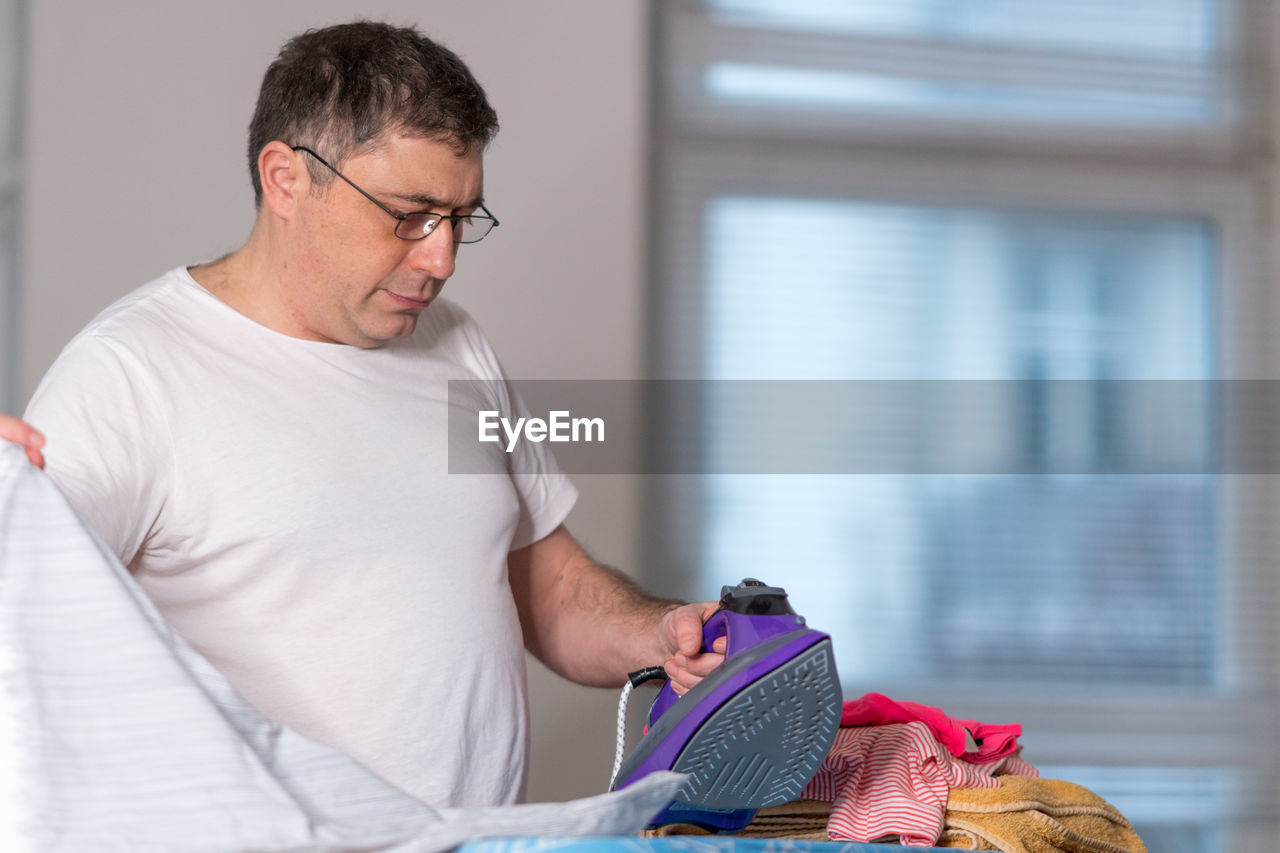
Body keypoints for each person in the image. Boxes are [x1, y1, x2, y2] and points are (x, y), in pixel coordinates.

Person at [4, 22, 723, 809]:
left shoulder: (457, 344)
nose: (441, 258)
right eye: (409, 215)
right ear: (285, 179)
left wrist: (659, 634)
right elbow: (23, 625)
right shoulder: (128, 374)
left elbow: (545, 586)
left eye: (459, 218)